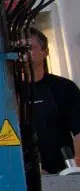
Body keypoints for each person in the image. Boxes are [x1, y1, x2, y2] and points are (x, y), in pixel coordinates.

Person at [25, 28, 80, 174]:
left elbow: (78, 130)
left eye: (30, 48)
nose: (25, 53)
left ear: (45, 52)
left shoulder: (65, 87)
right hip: (24, 176)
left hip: (63, 172)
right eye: (21, 48)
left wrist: (76, 166)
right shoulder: (8, 93)